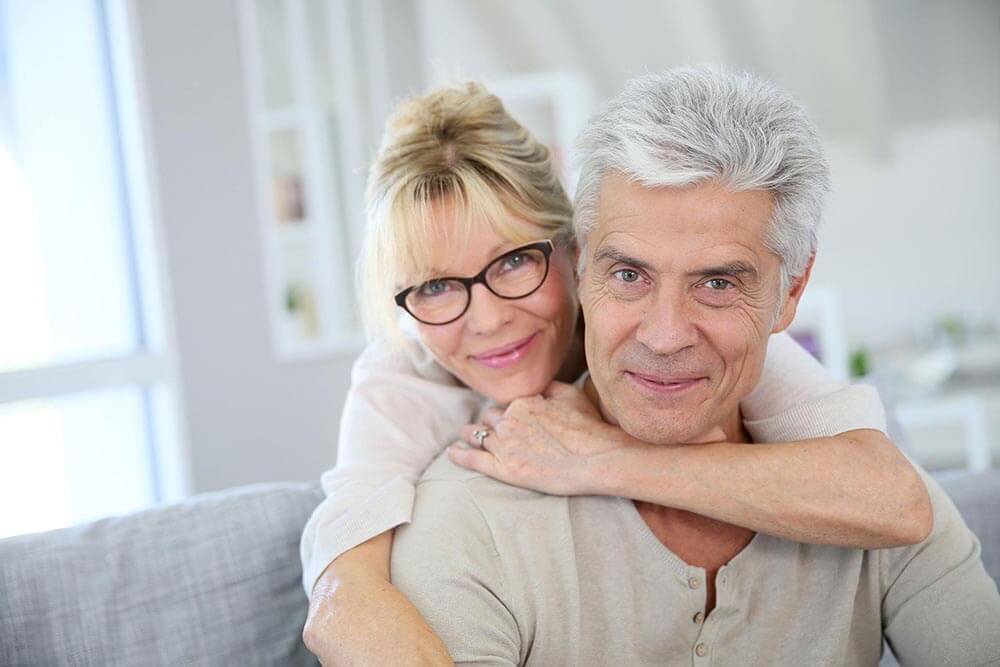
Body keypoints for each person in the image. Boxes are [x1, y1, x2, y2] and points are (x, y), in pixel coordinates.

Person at [300, 79, 933, 666]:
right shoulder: (404, 380)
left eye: (515, 262)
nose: (488, 320)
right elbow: (341, 593)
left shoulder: (711, 345)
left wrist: (603, 457)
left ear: (574, 252)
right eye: (436, 285)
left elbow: (894, 500)